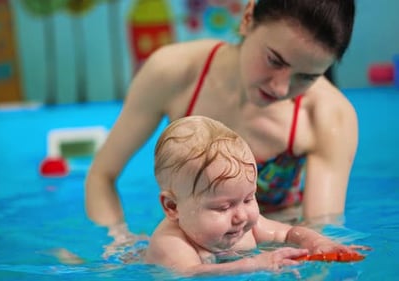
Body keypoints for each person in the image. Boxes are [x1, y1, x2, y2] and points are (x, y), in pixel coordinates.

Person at [85, 0, 358, 238]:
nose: (281, 88)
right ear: (248, 18)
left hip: (275, 245)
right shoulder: (173, 73)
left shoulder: (329, 115)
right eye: (275, 60)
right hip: (186, 244)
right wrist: (118, 242)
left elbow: (320, 231)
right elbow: (101, 176)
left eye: (307, 77)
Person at [145, 116, 362, 276]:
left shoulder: (248, 226)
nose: (241, 215)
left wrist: (318, 242)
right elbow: (191, 274)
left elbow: (289, 234)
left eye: (249, 199)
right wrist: (255, 264)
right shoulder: (171, 242)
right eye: (223, 207)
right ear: (172, 207)